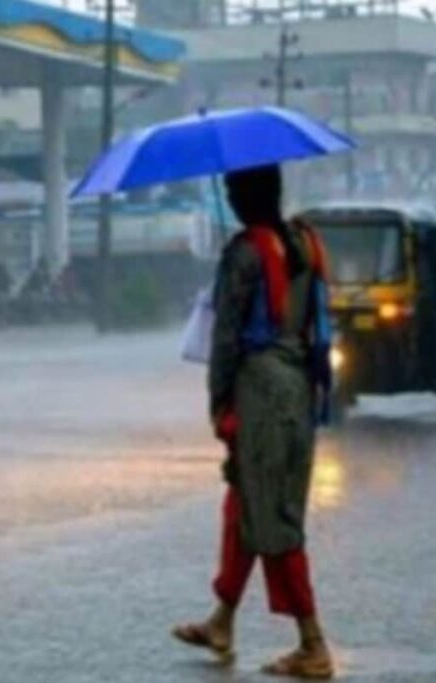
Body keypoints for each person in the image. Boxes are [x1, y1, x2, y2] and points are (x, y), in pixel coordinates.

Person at [172, 165, 335, 680]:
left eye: (233, 189)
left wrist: (219, 404)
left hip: (260, 393)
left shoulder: (243, 254)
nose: (230, 197)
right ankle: (222, 619)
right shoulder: (307, 243)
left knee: (274, 518)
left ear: (247, 196)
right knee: (245, 503)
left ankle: (313, 644)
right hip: (299, 387)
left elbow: (225, 340)